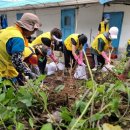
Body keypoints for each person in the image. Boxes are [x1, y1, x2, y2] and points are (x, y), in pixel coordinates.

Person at [0, 13, 41, 85]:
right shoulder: (18, 39)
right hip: (3, 71)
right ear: (29, 28)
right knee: (8, 94)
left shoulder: (9, 30)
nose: (33, 33)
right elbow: (16, 61)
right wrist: (29, 73)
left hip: (4, 63)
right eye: (34, 30)